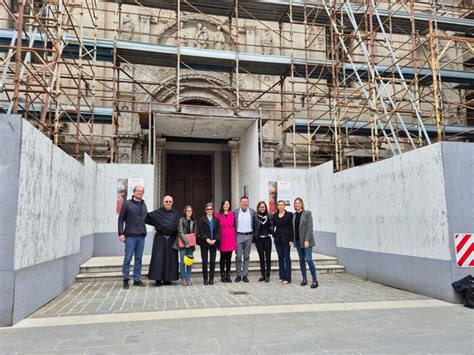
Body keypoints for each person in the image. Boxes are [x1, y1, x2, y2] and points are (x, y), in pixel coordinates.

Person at [118, 185, 148, 289]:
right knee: (128, 258)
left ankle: (137, 279)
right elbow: (121, 219)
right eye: (138, 191)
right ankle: (126, 279)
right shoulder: (127, 204)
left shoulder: (144, 205)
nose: (140, 193)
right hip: (130, 236)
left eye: (141, 191)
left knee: (139, 259)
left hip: (141, 236)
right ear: (134, 192)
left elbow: (146, 219)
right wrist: (120, 233)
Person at [146, 195, 180, 286]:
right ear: (163, 202)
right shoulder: (157, 213)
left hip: (171, 239)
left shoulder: (176, 214)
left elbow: (178, 227)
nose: (168, 203)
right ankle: (158, 278)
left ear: (172, 202)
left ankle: (168, 279)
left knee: (170, 259)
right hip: (160, 238)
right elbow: (146, 217)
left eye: (170, 201)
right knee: (158, 258)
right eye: (166, 201)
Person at [293, 197, 318, 289]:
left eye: (299, 203)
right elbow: (294, 229)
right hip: (298, 241)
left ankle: (315, 280)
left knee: (309, 259)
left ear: (302, 204)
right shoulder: (294, 215)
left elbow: (310, 228)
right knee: (301, 260)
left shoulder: (307, 213)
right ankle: (304, 279)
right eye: (295, 203)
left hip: (307, 241)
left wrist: (307, 240)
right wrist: (292, 240)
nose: (297, 204)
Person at [198, 202, 221, 285]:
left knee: (212, 261)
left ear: (213, 210)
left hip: (213, 243)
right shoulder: (202, 219)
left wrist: (215, 239)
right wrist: (206, 239)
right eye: (207, 209)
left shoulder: (216, 220)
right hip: (204, 243)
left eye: (211, 209)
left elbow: (219, 231)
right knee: (204, 261)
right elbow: (201, 231)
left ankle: (211, 278)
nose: (209, 210)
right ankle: (205, 279)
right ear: (205, 210)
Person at [234, 196, 255, 283]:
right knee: (238, 256)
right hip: (239, 236)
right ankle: (239, 275)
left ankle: (245, 275)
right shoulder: (235, 212)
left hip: (249, 236)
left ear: (248, 203)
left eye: (246, 201)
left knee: (246, 256)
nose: (244, 203)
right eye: (243, 201)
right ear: (240, 202)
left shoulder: (252, 212)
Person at [272, 200, 293, 284]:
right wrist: (273, 234)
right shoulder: (275, 215)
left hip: (287, 239)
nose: (281, 206)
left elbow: (291, 228)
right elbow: (273, 226)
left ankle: (287, 278)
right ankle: (281, 276)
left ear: (284, 206)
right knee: (280, 258)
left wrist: (291, 239)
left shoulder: (289, 214)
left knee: (287, 258)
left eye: (282, 205)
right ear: (277, 206)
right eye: (279, 205)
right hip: (278, 239)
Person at [215, 200, 236, 283]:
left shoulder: (232, 214)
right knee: (222, 257)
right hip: (223, 238)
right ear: (222, 205)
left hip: (230, 237)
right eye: (224, 204)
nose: (226, 205)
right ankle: (222, 275)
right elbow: (216, 227)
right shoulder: (217, 215)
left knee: (229, 258)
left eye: (227, 204)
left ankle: (228, 274)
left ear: (229, 205)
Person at [254, 201, 273, 283]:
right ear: (258, 208)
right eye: (260, 207)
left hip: (267, 239)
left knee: (268, 257)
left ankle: (268, 275)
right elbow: (254, 228)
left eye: (263, 207)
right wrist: (254, 239)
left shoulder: (270, 216)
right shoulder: (255, 217)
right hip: (259, 240)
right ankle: (263, 275)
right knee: (261, 258)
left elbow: (273, 225)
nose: (262, 208)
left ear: (265, 208)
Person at [177, 205, 196, 286]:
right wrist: (186, 242)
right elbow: (180, 232)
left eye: (190, 211)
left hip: (191, 245)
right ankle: (183, 277)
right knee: (182, 262)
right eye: (188, 211)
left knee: (189, 261)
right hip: (183, 244)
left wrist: (191, 243)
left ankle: (188, 277)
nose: (189, 212)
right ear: (185, 211)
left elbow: (194, 233)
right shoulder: (181, 220)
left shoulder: (193, 221)